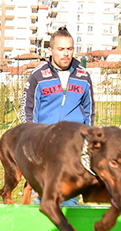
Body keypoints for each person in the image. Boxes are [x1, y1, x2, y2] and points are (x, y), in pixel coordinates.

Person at [21, 26, 95, 205]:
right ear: (51, 50)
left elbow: (90, 111)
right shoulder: (38, 76)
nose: (66, 54)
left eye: (69, 49)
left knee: (68, 205)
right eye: (61, 49)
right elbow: (27, 111)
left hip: (72, 150)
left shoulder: (83, 76)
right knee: (43, 204)